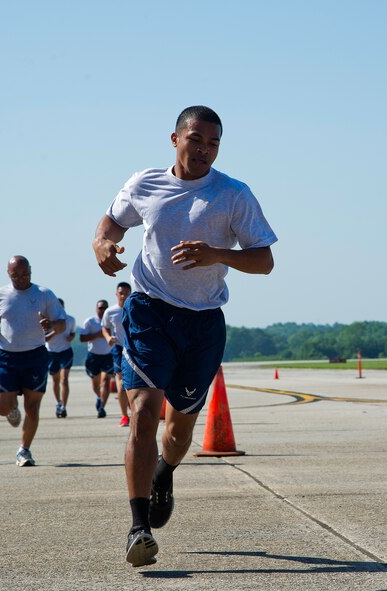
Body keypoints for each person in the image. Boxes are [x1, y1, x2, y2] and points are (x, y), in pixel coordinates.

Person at [93, 106, 277, 567]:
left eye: (213, 143)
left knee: (178, 433)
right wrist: (101, 244)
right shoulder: (145, 184)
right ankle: (138, 528)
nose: (204, 150)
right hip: (149, 311)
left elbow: (264, 260)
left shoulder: (233, 195)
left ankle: (166, 471)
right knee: (143, 413)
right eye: (196, 140)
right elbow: (112, 222)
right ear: (174, 138)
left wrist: (217, 253)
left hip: (203, 322)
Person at [0, 256, 66, 467]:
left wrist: (51, 324)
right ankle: (11, 408)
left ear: (30, 270)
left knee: (33, 407)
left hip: (35, 356)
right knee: (1, 407)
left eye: (25, 274)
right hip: (6, 356)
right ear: (8, 273)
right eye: (15, 275)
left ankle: (24, 450)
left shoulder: (43, 294)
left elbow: (62, 325)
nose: (21, 279)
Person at [101, 282, 132, 427]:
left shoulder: (136, 309)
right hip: (119, 349)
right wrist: (108, 338)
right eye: (121, 293)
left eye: (127, 293)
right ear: (116, 294)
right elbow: (105, 327)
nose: (124, 296)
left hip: (134, 348)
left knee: (135, 383)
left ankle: (134, 410)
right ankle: (124, 415)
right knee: (120, 382)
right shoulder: (110, 312)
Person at [80, 300, 114, 418]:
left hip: (108, 355)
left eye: (105, 308)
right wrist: (97, 335)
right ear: (96, 309)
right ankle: (99, 397)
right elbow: (82, 338)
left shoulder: (111, 321)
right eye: (100, 308)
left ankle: (102, 408)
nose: (102, 310)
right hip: (93, 356)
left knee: (106, 381)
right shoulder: (90, 321)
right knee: (96, 384)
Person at [45, 298, 76, 418]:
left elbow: (72, 333)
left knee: (64, 379)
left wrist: (71, 337)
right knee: (55, 380)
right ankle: (58, 402)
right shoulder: (48, 322)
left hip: (66, 351)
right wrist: (54, 332)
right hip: (51, 352)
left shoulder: (70, 319)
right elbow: (44, 338)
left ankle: (64, 406)